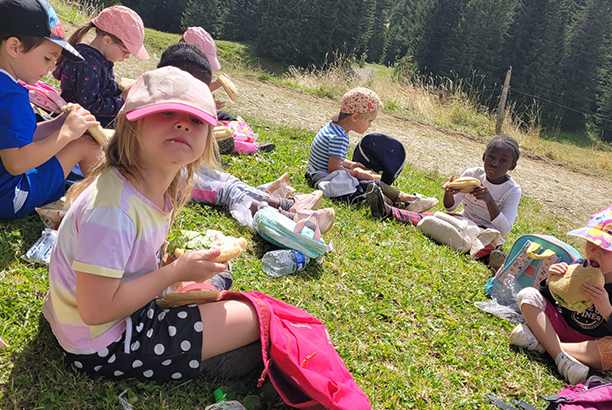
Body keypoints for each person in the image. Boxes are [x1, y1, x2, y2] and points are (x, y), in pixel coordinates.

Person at [42, 66, 261, 381]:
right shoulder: (112, 210)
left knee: (220, 275)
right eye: (167, 112)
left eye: (197, 120)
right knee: (254, 320)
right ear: (130, 123)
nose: (183, 123)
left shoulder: (155, 188)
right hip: (103, 343)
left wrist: (174, 268)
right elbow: (95, 311)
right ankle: (208, 361)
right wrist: (174, 272)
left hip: (108, 317)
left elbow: (133, 261)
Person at [157, 42, 335, 233]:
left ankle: (287, 203)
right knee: (227, 191)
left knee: (227, 179)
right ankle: (291, 217)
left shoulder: (169, 98)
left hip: (177, 167)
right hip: (167, 179)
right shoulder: (157, 110)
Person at [0, 0, 102, 220]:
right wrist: (66, 134)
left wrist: (58, 123)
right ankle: (111, 207)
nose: (52, 67)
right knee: (84, 144)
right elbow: (16, 163)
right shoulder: (11, 96)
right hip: (9, 197)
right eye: (48, 57)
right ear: (14, 47)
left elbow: (13, 137)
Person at [367, 135, 521, 260]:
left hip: (486, 231)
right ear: (483, 156)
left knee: (483, 242)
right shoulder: (472, 174)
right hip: (462, 220)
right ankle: (387, 210)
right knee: (435, 217)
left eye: (503, 160)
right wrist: (449, 193)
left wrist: (489, 201)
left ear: (512, 166)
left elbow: (505, 229)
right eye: (491, 157)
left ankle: (492, 258)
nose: (494, 163)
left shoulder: (512, 191)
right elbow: (450, 207)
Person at [510, 206, 612, 385]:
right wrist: (550, 283)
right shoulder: (579, 268)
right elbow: (551, 301)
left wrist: (607, 311)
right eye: (591, 243)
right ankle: (560, 357)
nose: (594, 252)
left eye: (604, 248)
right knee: (528, 295)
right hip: (561, 325)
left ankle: (543, 343)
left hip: (589, 345)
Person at [306, 86, 438, 211]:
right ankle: (405, 200)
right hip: (323, 177)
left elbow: (332, 159)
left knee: (364, 176)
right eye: (370, 121)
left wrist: (350, 164)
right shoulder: (340, 138)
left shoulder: (333, 128)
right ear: (355, 117)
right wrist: (357, 174)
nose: (369, 126)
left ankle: (401, 200)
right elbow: (333, 169)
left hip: (316, 172)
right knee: (369, 183)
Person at [181, 27, 275, 154]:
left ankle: (248, 141)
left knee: (226, 117)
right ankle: (231, 145)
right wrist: (208, 106)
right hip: (185, 120)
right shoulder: (177, 75)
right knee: (206, 129)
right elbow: (181, 103)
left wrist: (217, 84)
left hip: (198, 114)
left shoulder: (193, 75)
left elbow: (200, 91)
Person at [53, 5, 149, 128]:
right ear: (107, 40)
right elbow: (91, 106)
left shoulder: (99, 58)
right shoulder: (87, 65)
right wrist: (122, 101)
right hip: (83, 123)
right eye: (126, 52)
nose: (126, 57)